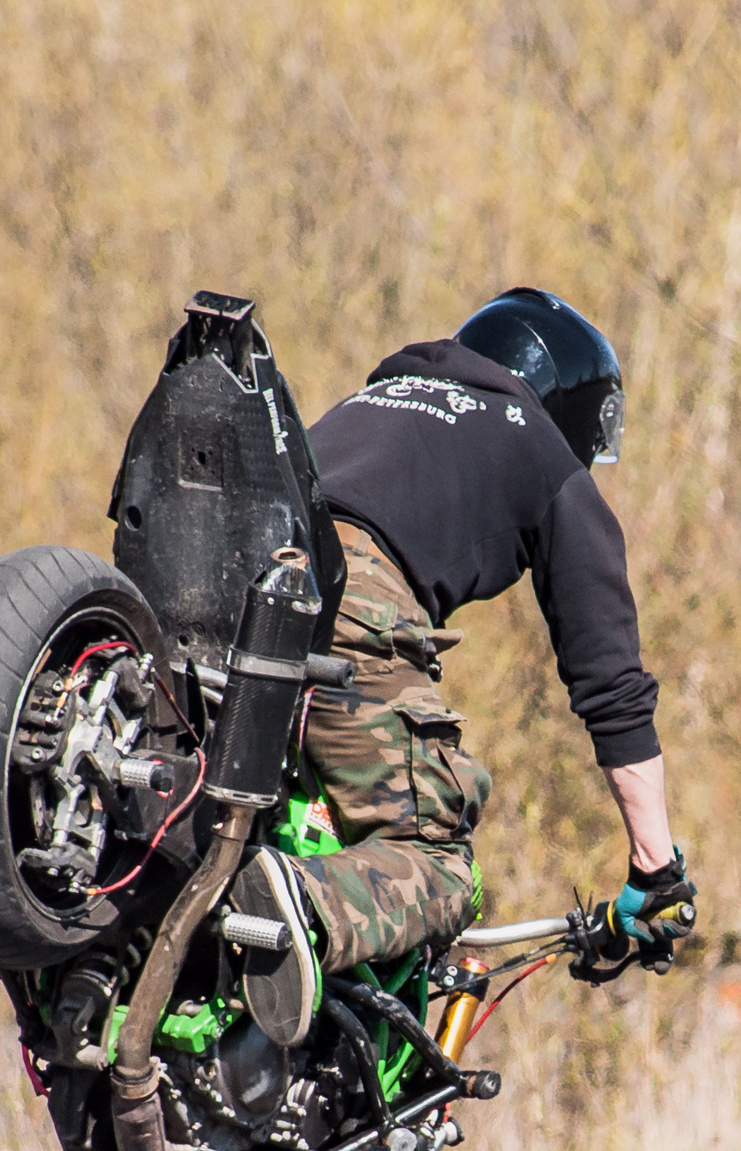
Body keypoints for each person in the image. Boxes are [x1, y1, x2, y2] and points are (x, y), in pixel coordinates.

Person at [223, 287, 696, 1043]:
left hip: (225, 591)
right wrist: (656, 868)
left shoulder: (366, 404)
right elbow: (611, 684)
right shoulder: (542, 450)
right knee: (437, 866)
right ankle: (298, 907)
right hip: (348, 594)